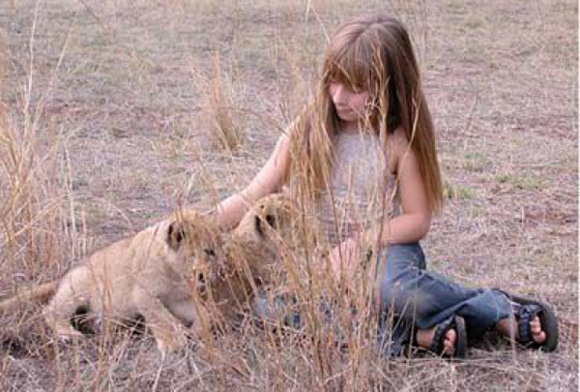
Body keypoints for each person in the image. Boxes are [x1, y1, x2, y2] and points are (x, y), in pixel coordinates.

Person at [211, 14, 557, 357]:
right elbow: (254, 194)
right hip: (316, 260)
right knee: (261, 306)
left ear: (389, 84)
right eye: (332, 81)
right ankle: (416, 334)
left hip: (383, 254)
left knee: (393, 291)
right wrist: (199, 226)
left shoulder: (395, 141)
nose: (338, 96)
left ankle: (494, 307)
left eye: (356, 87)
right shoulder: (307, 129)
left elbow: (417, 219)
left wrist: (356, 245)